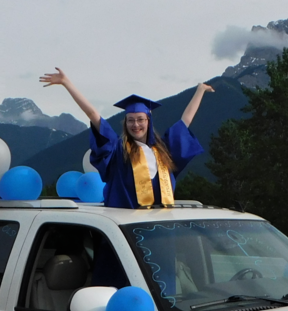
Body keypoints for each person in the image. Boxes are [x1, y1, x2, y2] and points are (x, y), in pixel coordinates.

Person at [39, 68, 213, 208]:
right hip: (124, 227)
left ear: (148, 120)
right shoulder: (118, 150)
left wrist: (200, 90)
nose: (135, 125)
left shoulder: (162, 149)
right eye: (130, 120)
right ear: (125, 123)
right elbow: (93, 114)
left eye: (140, 120)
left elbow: (185, 121)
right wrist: (67, 83)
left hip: (159, 222)